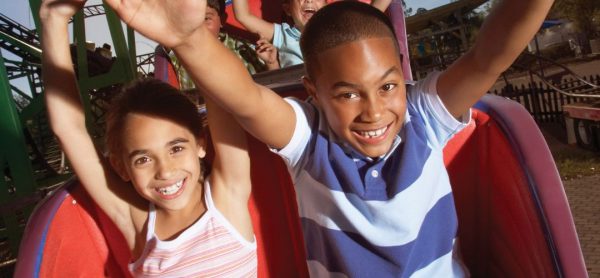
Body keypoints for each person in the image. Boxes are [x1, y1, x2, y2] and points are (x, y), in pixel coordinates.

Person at [105, 0, 553, 276]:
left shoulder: (422, 118)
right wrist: (190, 41)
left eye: (387, 86)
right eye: (348, 94)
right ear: (314, 92)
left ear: (402, 75)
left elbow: (488, 57)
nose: (374, 110)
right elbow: (246, 99)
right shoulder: (309, 144)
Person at [40, 0, 257, 276]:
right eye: (143, 158)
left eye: (176, 148)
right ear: (121, 168)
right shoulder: (137, 222)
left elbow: (223, 95)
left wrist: (189, 38)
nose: (165, 170)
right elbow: (68, 129)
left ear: (200, 144)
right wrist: (53, 20)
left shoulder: (228, 196)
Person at [232, 0, 391, 67]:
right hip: (298, 101)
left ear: (325, 6)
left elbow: (374, 12)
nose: (309, 0)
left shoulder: (338, 32)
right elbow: (243, 16)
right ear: (287, 9)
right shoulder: (282, 33)